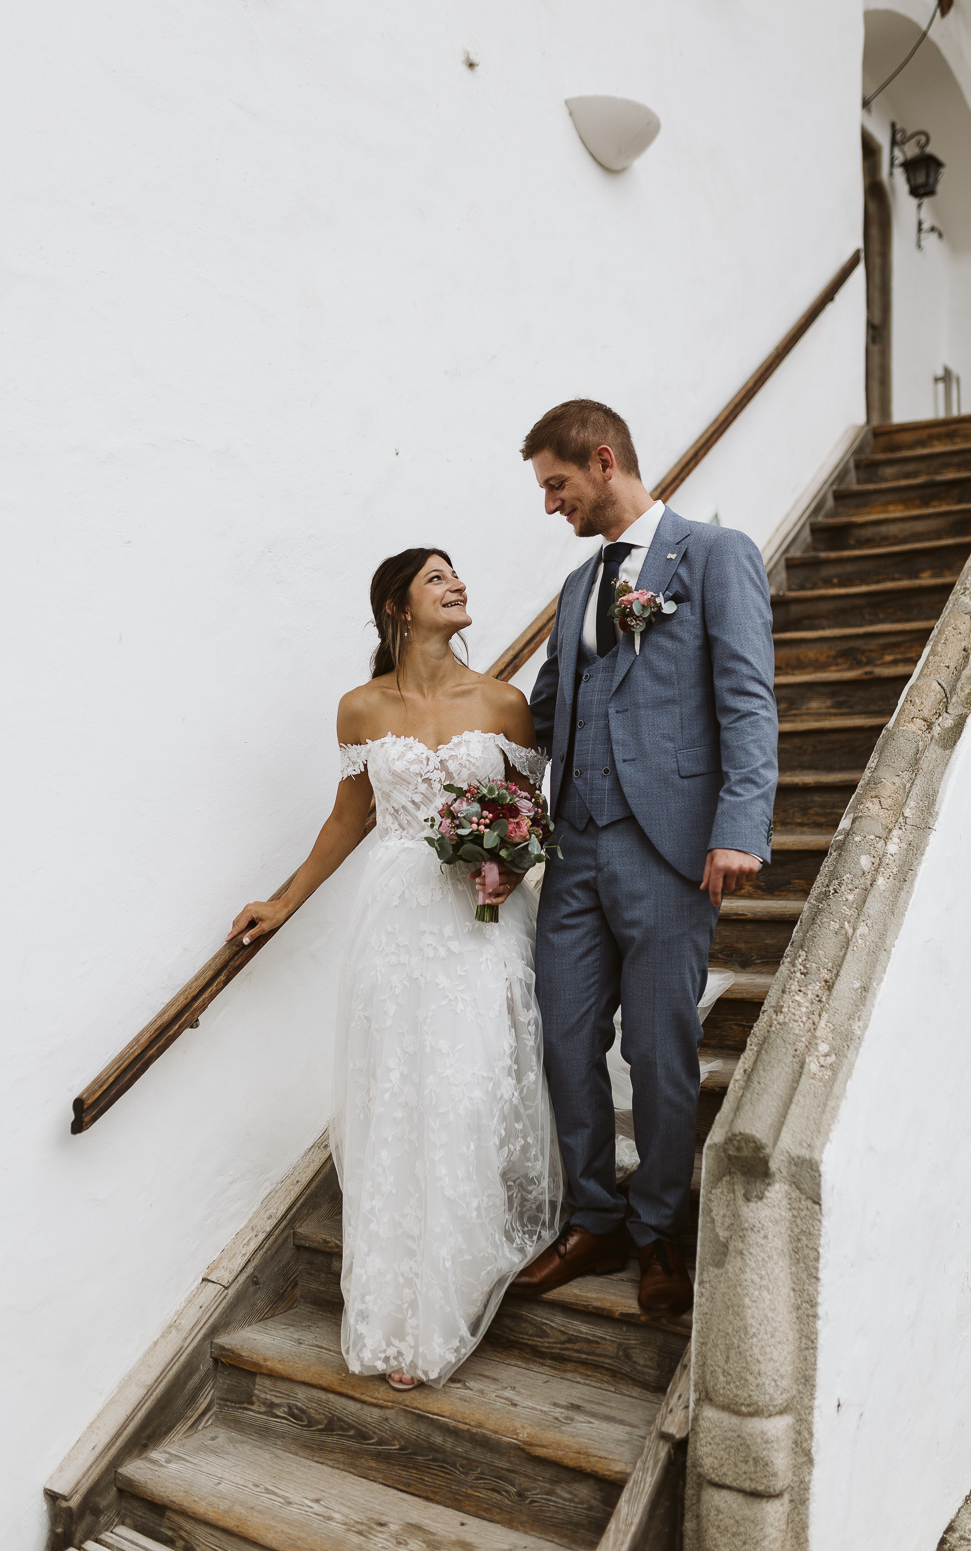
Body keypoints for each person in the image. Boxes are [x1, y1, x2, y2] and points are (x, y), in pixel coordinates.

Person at [228, 547, 563, 1390]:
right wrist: (283, 900)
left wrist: (510, 861)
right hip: (398, 912)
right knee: (402, 1091)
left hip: (482, 916)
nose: (458, 585)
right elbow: (350, 818)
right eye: (436, 578)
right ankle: (398, 1304)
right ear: (396, 609)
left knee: (469, 1082)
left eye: (458, 575)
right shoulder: (359, 709)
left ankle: (460, 1276)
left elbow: (531, 817)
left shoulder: (505, 703)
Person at [510, 399, 778, 1316]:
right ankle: (594, 1216)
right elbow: (545, 714)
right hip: (573, 849)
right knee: (562, 1033)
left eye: (556, 485)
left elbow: (746, 698)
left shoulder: (713, 554)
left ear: (602, 459)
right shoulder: (580, 589)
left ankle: (660, 1227)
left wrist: (739, 825)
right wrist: (450, 740)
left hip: (669, 850)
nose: (551, 505)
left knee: (658, 1051)